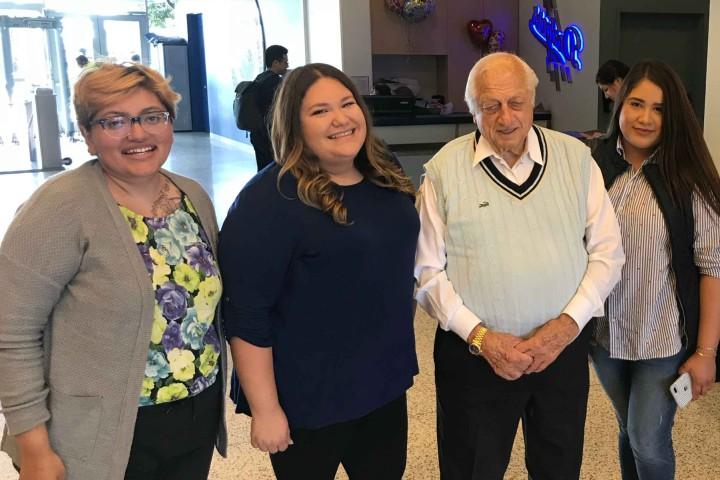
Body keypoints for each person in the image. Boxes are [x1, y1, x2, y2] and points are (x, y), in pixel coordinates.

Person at [0, 62, 228, 479]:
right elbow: (10, 332)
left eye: (151, 117)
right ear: (88, 136)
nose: (137, 133)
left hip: (193, 415)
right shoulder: (58, 209)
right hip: (95, 433)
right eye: (114, 121)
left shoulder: (191, 195)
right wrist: (33, 444)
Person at [414, 52, 625, 479]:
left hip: (560, 351)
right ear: (473, 110)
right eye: (490, 105)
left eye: (516, 102)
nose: (505, 117)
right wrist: (483, 338)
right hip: (474, 356)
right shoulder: (442, 171)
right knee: (470, 467)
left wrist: (567, 326)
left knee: (558, 465)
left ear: (533, 101)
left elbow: (607, 253)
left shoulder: (577, 159)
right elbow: (427, 273)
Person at [219, 63, 419, 479]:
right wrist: (266, 409)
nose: (341, 118)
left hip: (382, 382)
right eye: (320, 111)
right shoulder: (268, 201)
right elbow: (246, 314)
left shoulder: (385, 172)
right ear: (294, 124)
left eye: (347, 104)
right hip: (308, 397)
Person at [589, 61, 720, 480]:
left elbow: (712, 268)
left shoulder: (688, 176)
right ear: (619, 105)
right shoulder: (595, 167)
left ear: (674, 115)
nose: (645, 118)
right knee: (628, 428)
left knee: (648, 438)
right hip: (604, 335)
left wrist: (705, 353)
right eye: (636, 103)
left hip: (662, 338)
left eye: (659, 109)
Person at [249, 44, 289, 171]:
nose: (287, 65)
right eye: (285, 62)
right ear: (276, 63)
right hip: (268, 135)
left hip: (257, 133)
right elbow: (279, 108)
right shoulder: (274, 82)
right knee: (273, 170)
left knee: (262, 169)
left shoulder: (260, 77)